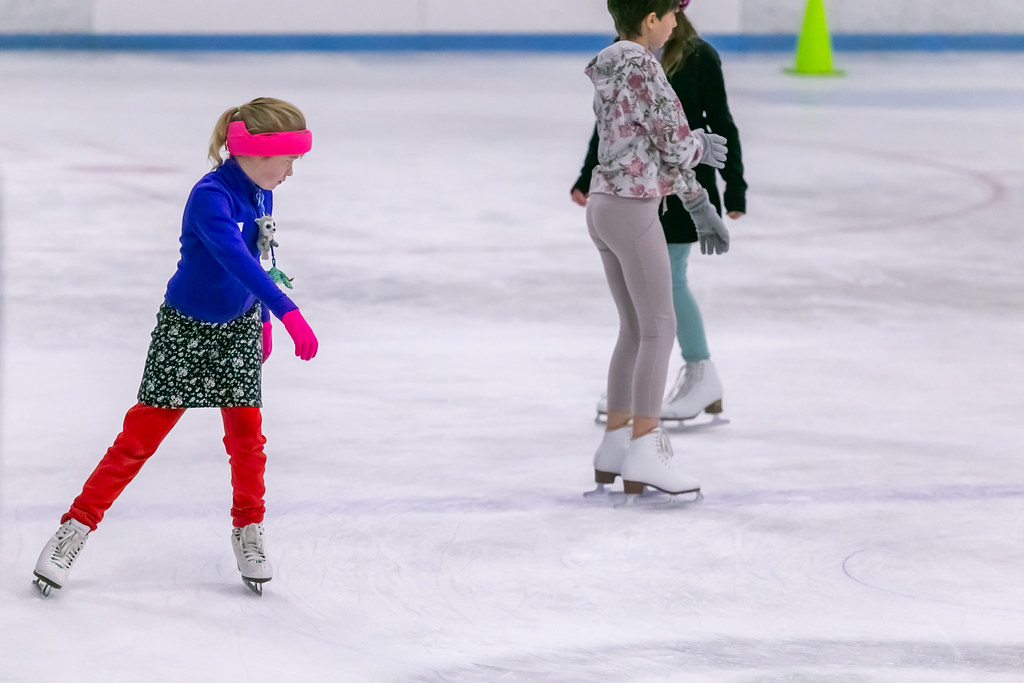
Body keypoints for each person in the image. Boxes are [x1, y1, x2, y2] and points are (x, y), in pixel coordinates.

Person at [31, 97, 319, 597]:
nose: (293, 170)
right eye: (289, 158)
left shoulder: (261, 191)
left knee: (247, 441)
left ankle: (249, 529)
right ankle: (74, 528)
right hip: (185, 329)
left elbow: (259, 254)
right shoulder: (210, 197)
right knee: (138, 439)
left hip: (236, 327)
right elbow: (235, 260)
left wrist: (259, 320)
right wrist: (287, 312)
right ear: (256, 151)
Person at [582, 0, 730, 502]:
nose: (674, 24)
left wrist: (696, 202)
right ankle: (646, 446)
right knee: (660, 326)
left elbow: (641, 143)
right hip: (631, 207)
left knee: (633, 329)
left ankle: (615, 444)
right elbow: (672, 140)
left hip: (603, 205)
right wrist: (701, 148)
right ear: (651, 19)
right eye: (671, 14)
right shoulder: (645, 64)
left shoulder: (609, 62)